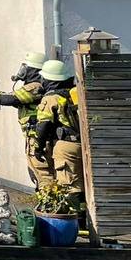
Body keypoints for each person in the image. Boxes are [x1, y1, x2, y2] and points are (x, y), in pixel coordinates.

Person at [0, 51, 55, 189]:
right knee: (36, 173)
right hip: (34, 137)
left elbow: (9, 99)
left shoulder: (35, 86)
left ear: (33, 70)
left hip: (37, 137)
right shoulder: (32, 87)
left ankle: (50, 203)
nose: (22, 70)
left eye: (26, 67)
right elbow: (15, 100)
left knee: (42, 174)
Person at [33, 60, 85, 207]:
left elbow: (43, 125)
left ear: (50, 80)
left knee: (68, 185)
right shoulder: (75, 93)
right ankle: (85, 219)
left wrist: (38, 148)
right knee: (81, 182)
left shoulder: (51, 98)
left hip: (66, 147)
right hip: (83, 144)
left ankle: (76, 222)